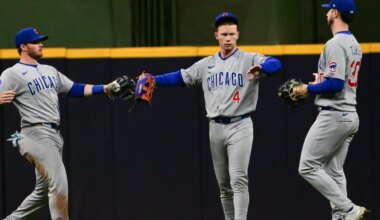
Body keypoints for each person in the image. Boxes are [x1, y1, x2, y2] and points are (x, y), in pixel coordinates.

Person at [140, 12, 282, 220]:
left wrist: (262, 67)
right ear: (216, 36)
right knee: (224, 185)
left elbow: (276, 64)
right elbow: (182, 77)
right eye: (224, 34)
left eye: (231, 34)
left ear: (237, 35)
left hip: (240, 125)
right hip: (215, 127)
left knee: (238, 179)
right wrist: (154, 79)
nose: (228, 38)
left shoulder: (249, 58)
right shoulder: (206, 64)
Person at [0, 27, 124, 220]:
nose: (41, 44)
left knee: (42, 193)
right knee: (59, 183)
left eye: (41, 41)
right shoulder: (12, 73)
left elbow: (75, 88)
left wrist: (106, 88)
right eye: (36, 42)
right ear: (23, 47)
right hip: (35, 133)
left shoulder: (50, 70)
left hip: (54, 136)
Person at [294, 0, 370, 219]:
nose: (327, 12)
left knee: (307, 166)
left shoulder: (335, 43)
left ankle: (348, 209)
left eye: (329, 9)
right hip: (349, 115)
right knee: (334, 170)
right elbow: (338, 81)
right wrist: (321, 81)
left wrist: (307, 87)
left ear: (335, 13)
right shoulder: (355, 43)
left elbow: (336, 84)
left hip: (335, 114)